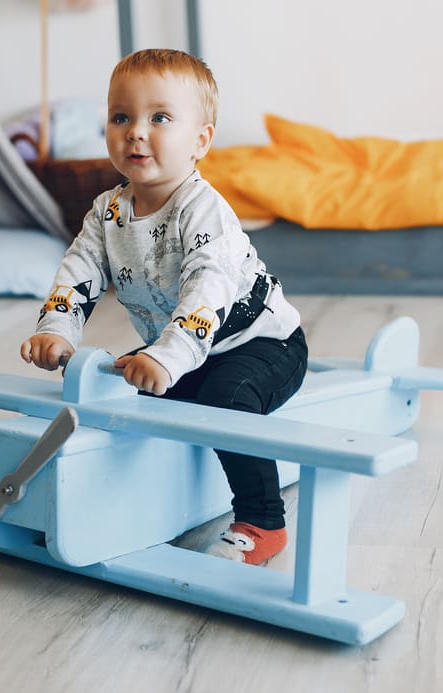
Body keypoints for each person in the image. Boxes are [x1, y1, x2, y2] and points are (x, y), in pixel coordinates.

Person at [20, 48, 307, 566]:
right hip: (181, 344)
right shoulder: (107, 211)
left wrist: (168, 357)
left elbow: (206, 292)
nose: (135, 132)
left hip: (259, 343)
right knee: (114, 382)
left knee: (226, 394)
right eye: (121, 117)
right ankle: (108, 494)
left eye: (160, 118)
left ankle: (261, 521)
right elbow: (79, 271)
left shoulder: (202, 211)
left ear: (201, 140)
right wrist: (58, 329)